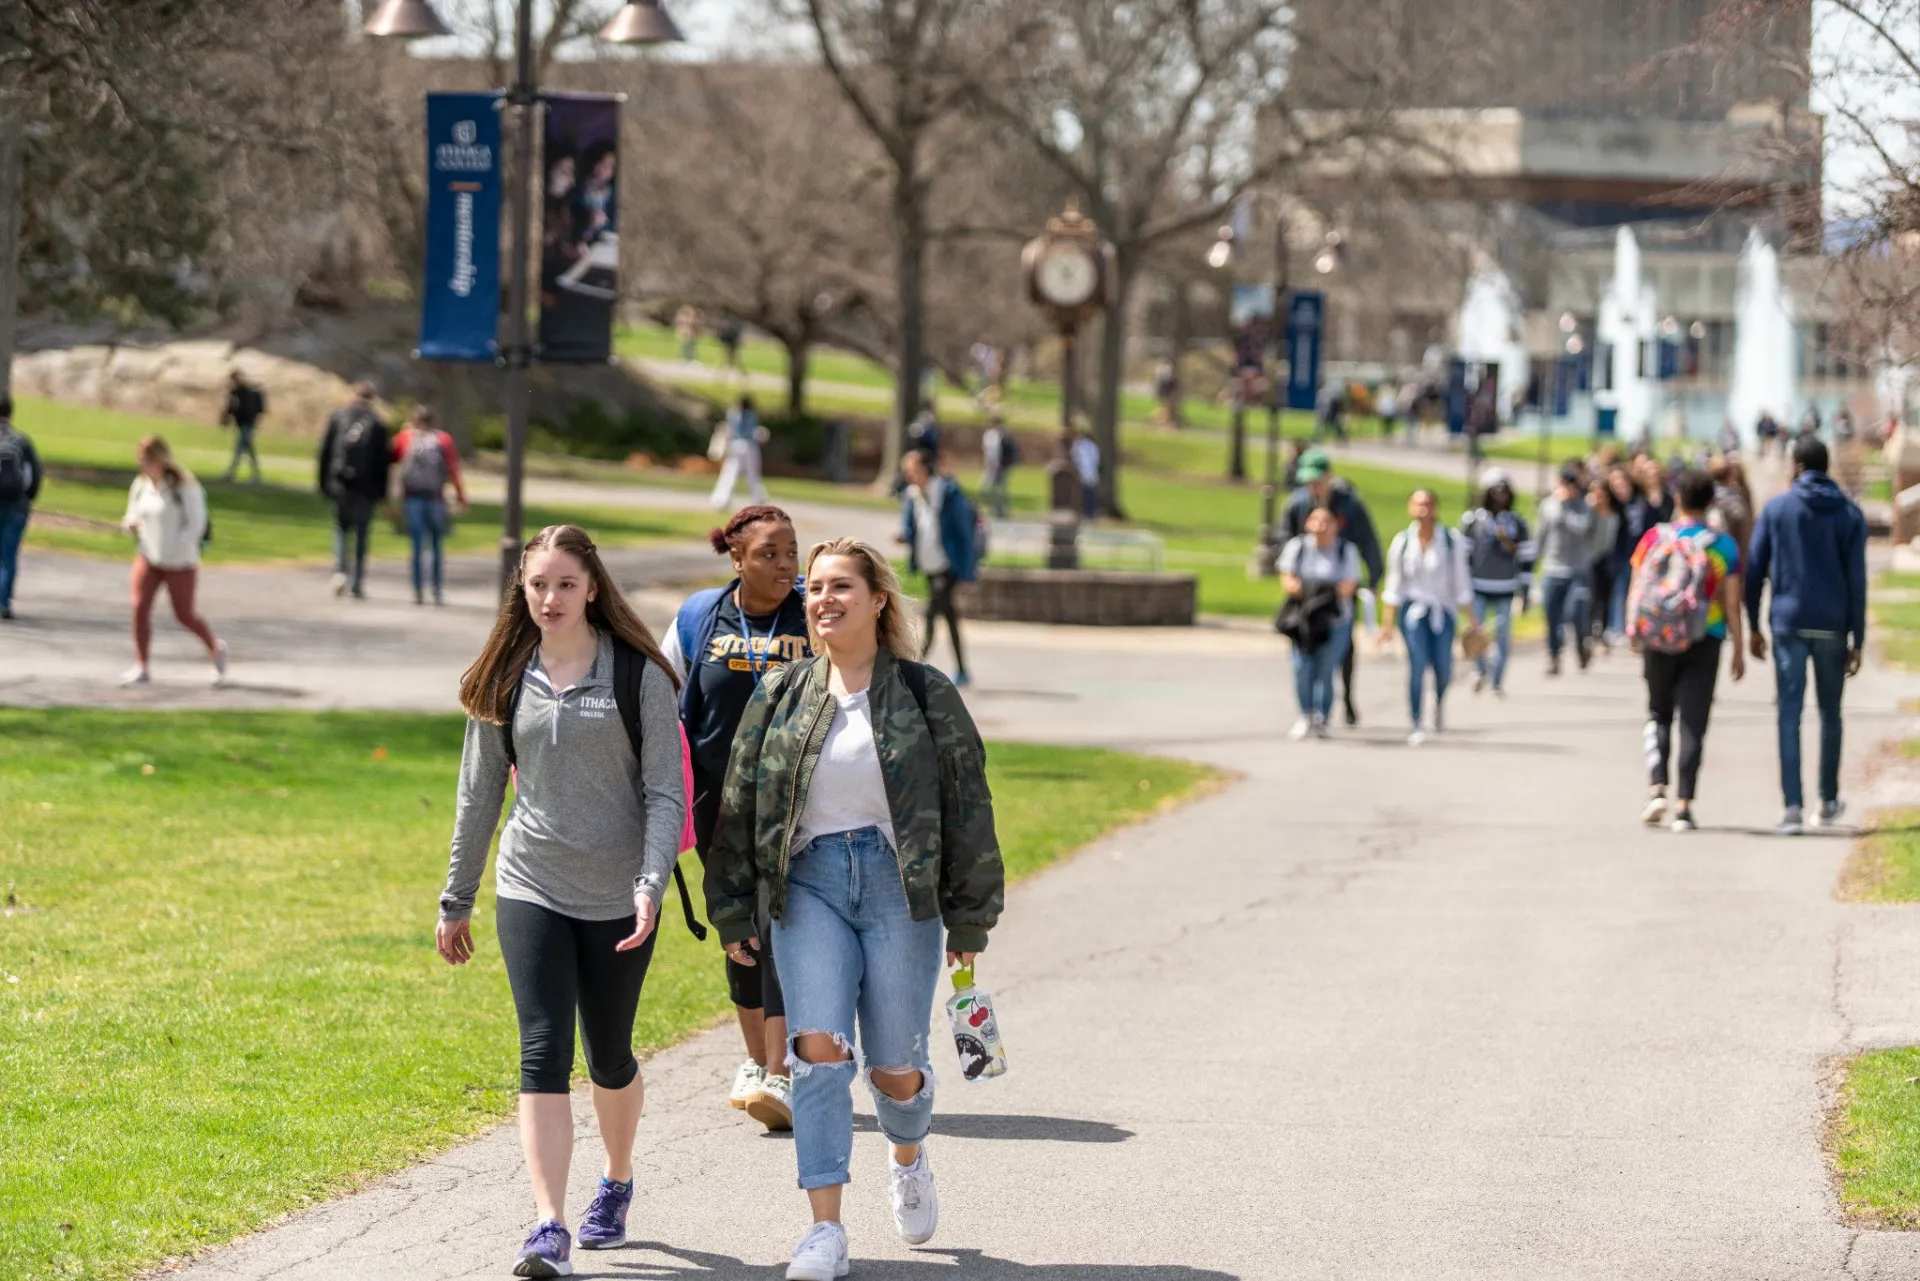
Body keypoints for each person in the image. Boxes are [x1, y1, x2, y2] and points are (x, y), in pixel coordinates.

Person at [708, 536, 1003, 1281]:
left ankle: (907, 1155)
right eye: (814, 588)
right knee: (818, 1053)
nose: (823, 599)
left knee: (897, 1065)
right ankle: (825, 1231)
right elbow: (740, 802)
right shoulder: (781, 692)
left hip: (900, 888)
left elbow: (968, 805)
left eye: (841, 586)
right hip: (808, 887)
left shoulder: (926, 692)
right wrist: (734, 908)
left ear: (878, 600)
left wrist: (969, 920)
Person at [438, 524, 686, 1278]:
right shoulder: (505, 675)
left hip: (619, 891)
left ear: (592, 588)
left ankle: (616, 1177)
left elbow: (664, 792)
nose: (550, 598)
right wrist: (458, 896)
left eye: (566, 584)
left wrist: (648, 883)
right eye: (538, 584)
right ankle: (548, 1225)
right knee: (541, 1050)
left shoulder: (636, 672)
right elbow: (479, 792)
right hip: (532, 883)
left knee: (607, 1054)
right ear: (523, 586)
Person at [660, 506, 811, 1129]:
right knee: (739, 929)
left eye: (791, 551)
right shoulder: (701, 616)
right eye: (769, 553)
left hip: (797, 807)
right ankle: (757, 1063)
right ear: (737, 558)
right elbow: (663, 700)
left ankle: (782, 1071)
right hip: (716, 805)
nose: (785, 564)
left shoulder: (810, 614)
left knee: (781, 928)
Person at [1745, 438, 1869, 835]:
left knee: (1789, 714)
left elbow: (1754, 569)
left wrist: (1752, 623)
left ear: (1796, 465)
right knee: (1831, 714)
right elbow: (1857, 581)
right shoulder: (1849, 513)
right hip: (1833, 623)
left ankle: (1793, 807)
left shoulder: (1777, 509)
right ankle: (1827, 800)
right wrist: (1858, 638)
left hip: (1789, 621)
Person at [1628, 469, 1746, 833]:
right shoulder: (1723, 546)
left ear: (1677, 500)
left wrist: (1634, 629)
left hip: (1658, 635)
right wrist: (1739, 647)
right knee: (1694, 721)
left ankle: (1656, 787)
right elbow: (1731, 601)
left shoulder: (1654, 537)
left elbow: (1636, 585)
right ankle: (1683, 805)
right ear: (1711, 502)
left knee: (1658, 712)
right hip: (1704, 637)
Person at [1280, 449, 1384, 726]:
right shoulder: (1298, 505)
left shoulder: (1350, 504)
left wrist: (1374, 579)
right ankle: (1311, 709)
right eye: (1308, 481)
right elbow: (1286, 541)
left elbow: (1369, 543)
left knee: (1343, 647)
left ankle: (1347, 697)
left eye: (1317, 480)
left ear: (1329, 476)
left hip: (1341, 586)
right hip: (1308, 592)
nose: (1313, 486)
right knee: (1307, 650)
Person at [120, 436, 226, 687]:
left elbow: (196, 525)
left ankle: (215, 648)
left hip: (180, 561)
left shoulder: (184, 486)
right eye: (141, 461)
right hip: (149, 556)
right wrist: (130, 526)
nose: (144, 466)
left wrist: (175, 550)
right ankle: (142, 665)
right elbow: (131, 515)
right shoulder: (141, 485)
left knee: (184, 614)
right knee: (140, 607)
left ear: (161, 460)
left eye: (148, 461)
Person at [1379, 488, 1475, 745]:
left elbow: (1462, 583)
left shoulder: (1450, 541)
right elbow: (1394, 586)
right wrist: (1387, 625)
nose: (1423, 510)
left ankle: (1438, 703)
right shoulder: (1403, 542)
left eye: (1428, 504)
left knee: (1444, 666)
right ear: (1410, 508)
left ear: (1436, 508)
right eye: (1418, 504)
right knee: (1417, 664)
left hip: (1443, 610)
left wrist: (1472, 621)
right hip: (1414, 612)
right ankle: (1416, 719)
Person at [1278, 500, 1360, 739]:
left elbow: (1348, 586)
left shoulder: (1346, 551)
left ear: (1336, 525)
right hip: (1303, 620)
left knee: (1326, 670)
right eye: (1316, 520)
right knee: (1302, 667)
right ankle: (1305, 714)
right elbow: (1288, 581)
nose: (1321, 526)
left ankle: (1322, 717)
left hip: (1334, 620)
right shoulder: (1298, 548)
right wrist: (1322, 592)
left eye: (1326, 522)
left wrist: (1313, 592)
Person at [899, 449, 978, 687]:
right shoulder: (912, 497)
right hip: (929, 565)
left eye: (913, 471)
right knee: (950, 616)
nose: (910, 477)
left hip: (948, 564)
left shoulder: (948, 493)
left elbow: (965, 533)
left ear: (925, 469)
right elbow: (914, 528)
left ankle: (914, 668)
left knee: (932, 613)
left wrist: (967, 570)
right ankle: (963, 670)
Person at [1459, 468, 1531, 696]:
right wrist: (1461, 588)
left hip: (1505, 587)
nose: (1500, 496)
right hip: (1478, 586)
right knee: (1477, 633)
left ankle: (1497, 681)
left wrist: (1525, 590)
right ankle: (1481, 670)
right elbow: (1463, 556)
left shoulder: (1517, 522)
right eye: (1495, 490)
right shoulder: (1472, 520)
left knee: (1502, 636)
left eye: (1504, 491)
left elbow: (1527, 557)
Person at [390, 405, 468, 607]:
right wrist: (461, 497)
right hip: (435, 498)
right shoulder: (443, 440)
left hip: (412, 498)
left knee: (416, 545)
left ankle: (417, 589)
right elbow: (453, 470)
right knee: (435, 545)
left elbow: (393, 460)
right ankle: (436, 589)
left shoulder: (405, 438)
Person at [318, 382, 390, 600]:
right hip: (366, 489)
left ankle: (340, 570)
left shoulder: (339, 417)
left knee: (341, 529)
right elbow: (382, 463)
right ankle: (357, 582)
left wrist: (323, 483)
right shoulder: (377, 423)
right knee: (361, 534)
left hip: (340, 484)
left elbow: (325, 452)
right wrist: (382, 493)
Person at [1536, 463, 1598, 675]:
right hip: (1553, 569)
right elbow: (1541, 536)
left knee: (1575, 612)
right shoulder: (1547, 506)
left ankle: (1582, 644)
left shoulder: (1584, 507)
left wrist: (1564, 509)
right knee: (1552, 617)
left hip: (1577, 570)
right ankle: (1554, 656)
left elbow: (1582, 530)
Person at [0, 396, 43, 621]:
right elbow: (35, 472)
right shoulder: (21, 441)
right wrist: (29, 497)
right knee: (8, 555)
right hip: (16, 504)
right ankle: (3, 602)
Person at [709, 394, 769, 511]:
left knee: (730, 472)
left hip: (735, 445)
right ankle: (758, 498)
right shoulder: (752, 415)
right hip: (749, 445)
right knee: (752, 474)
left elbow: (731, 430)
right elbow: (751, 432)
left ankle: (721, 499)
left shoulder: (732, 414)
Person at [1585, 474, 1622, 656]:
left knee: (1605, 598)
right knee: (1591, 598)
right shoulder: (1588, 513)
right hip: (1589, 560)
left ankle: (1602, 633)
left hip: (1607, 560)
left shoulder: (1614, 515)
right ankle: (1590, 632)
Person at [218, 370, 267, 485]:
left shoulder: (251, 392)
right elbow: (230, 407)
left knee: (240, 448)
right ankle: (256, 475)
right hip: (241, 424)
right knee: (249, 449)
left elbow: (258, 409)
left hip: (248, 424)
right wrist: (225, 419)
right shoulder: (236, 393)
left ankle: (231, 472)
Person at [979, 415, 1014, 520]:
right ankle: (998, 509)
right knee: (990, 488)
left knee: (995, 488)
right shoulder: (992, 435)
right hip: (992, 466)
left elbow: (996, 452)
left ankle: (1000, 510)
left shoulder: (1000, 435)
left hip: (998, 466)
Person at [1071, 429, 1100, 521]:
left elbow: (1077, 458)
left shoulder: (1082, 446)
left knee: (1087, 493)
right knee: (1089, 492)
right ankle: (1089, 512)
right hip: (1089, 472)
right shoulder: (1091, 446)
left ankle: (1088, 512)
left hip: (1085, 472)